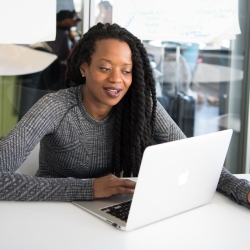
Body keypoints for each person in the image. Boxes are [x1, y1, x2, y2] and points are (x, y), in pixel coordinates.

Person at [0, 23, 250, 208]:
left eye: (127, 71)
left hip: (104, 210)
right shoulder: (55, 107)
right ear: (84, 67)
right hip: (48, 210)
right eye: (105, 68)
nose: (116, 80)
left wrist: (242, 189)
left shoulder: (139, 106)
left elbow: (195, 158)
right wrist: (86, 188)